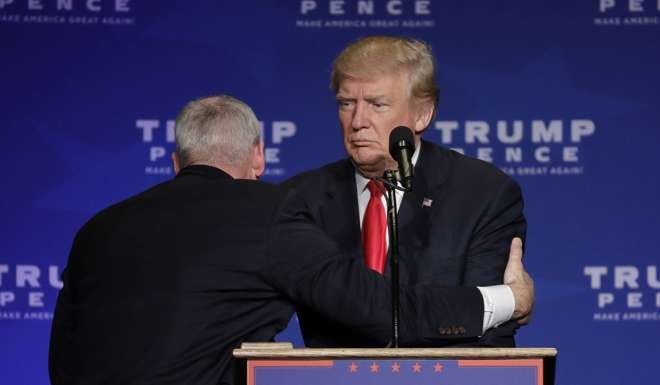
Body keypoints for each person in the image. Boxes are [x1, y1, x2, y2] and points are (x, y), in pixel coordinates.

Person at [49, 95, 533, 385]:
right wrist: (505, 299)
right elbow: (380, 311)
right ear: (258, 158)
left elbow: (60, 359)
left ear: (175, 162)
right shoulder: (268, 212)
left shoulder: (98, 228)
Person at [285, 36, 528, 348]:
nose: (358, 122)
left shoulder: (482, 193)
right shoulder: (300, 199)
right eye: (347, 104)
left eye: (377, 104)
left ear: (422, 114)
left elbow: (490, 335)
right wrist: (509, 299)